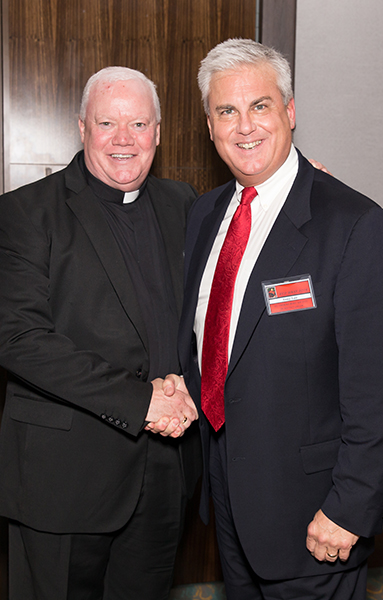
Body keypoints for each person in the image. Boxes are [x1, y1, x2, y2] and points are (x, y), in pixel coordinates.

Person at [173, 38, 383, 599]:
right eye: (227, 110)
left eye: (261, 106)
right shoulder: (205, 214)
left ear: (291, 112)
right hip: (227, 497)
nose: (244, 126)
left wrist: (351, 507)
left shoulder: (354, 224)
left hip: (315, 516)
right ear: (209, 125)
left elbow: (379, 390)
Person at [0, 66, 202, 600]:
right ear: (82, 128)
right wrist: (141, 402)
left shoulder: (185, 204)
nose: (123, 139)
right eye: (107, 123)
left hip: (164, 472)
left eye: (138, 124)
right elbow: (19, 340)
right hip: (64, 477)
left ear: (158, 132)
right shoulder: (24, 212)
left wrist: (301, 189)